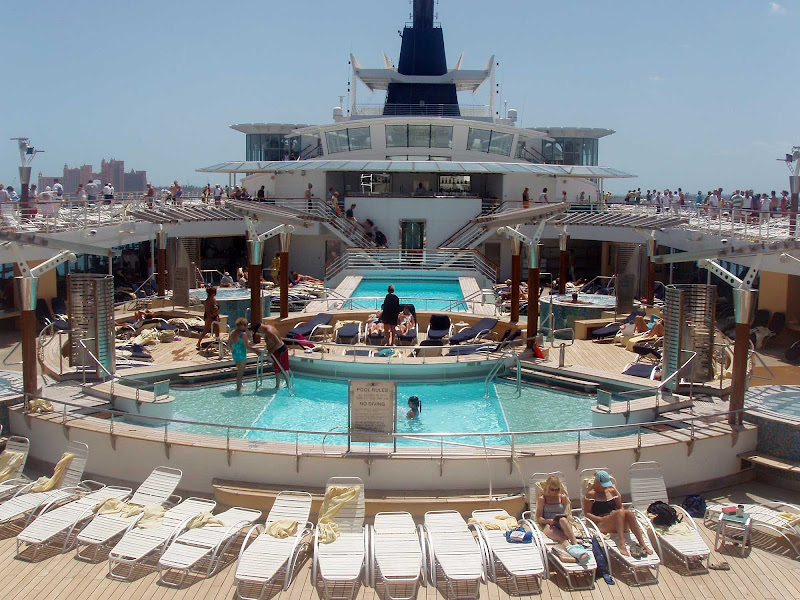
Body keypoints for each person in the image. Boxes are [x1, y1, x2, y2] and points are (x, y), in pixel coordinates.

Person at [583, 470, 652, 557]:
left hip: (617, 520)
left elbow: (620, 507)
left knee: (629, 513)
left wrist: (619, 514)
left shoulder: (612, 491)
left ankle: (642, 543)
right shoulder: (591, 495)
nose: (605, 487)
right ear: (596, 482)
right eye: (602, 485)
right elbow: (587, 513)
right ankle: (621, 543)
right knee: (619, 513)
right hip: (602, 524)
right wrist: (600, 519)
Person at [536, 475, 589, 563]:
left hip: (561, 523)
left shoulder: (562, 497)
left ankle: (575, 545)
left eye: (556, 489)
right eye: (552, 489)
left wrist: (565, 518)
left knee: (563, 520)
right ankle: (577, 553)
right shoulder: (543, 499)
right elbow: (539, 518)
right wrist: (548, 521)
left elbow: (566, 514)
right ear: (547, 488)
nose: (554, 492)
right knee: (563, 538)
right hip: (548, 525)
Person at [251, 323, 290, 388]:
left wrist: (270, 351)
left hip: (280, 351)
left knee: (283, 368)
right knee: (277, 368)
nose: (259, 333)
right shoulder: (269, 327)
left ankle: (286, 385)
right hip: (277, 351)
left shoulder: (269, 332)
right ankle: (278, 385)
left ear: (260, 328)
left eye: (258, 331)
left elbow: (278, 343)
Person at [229, 318, 261, 392]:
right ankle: (238, 390)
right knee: (240, 373)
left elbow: (229, 344)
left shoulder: (233, 332)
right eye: (245, 325)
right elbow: (247, 346)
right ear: (240, 325)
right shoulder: (243, 335)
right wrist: (256, 351)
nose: (247, 326)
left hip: (235, 353)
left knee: (238, 369)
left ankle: (240, 385)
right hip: (241, 355)